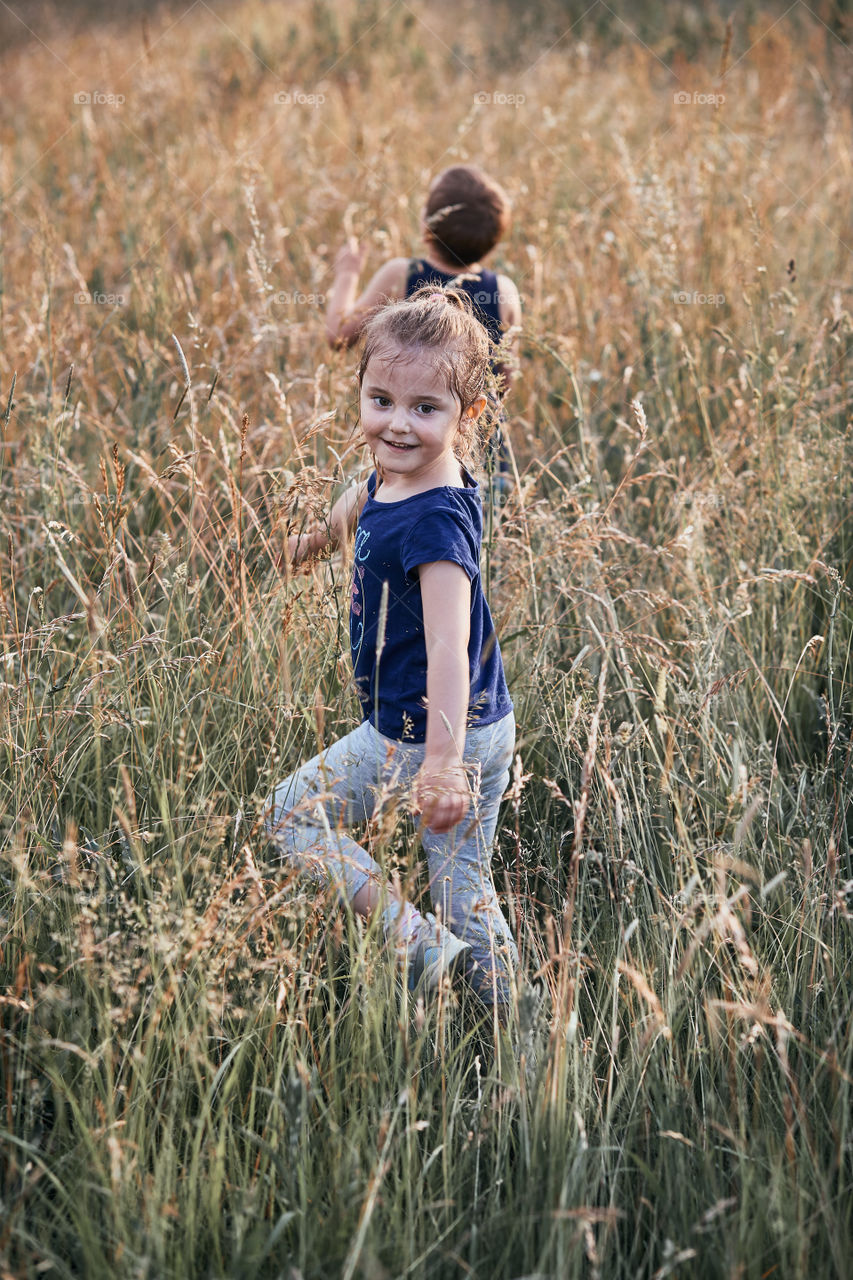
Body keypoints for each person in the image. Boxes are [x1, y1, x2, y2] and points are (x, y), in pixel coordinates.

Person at [265, 286, 518, 1013]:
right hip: (450, 726)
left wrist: (439, 766)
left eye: (424, 409)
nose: (397, 425)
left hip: (431, 731)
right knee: (463, 889)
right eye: (380, 400)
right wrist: (314, 543)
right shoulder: (397, 467)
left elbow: (450, 644)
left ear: (469, 414)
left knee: (291, 816)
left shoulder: (438, 528)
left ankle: (417, 944)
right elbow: (364, 492)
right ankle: (514, 1026)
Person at [324, 165, 522, 493]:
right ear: (493, 239)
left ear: (428, 224)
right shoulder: (504, 290)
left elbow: (339, 335)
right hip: (483, 456)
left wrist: (347, 273)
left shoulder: (402, 273)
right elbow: (504, 380)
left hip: (409, 455)